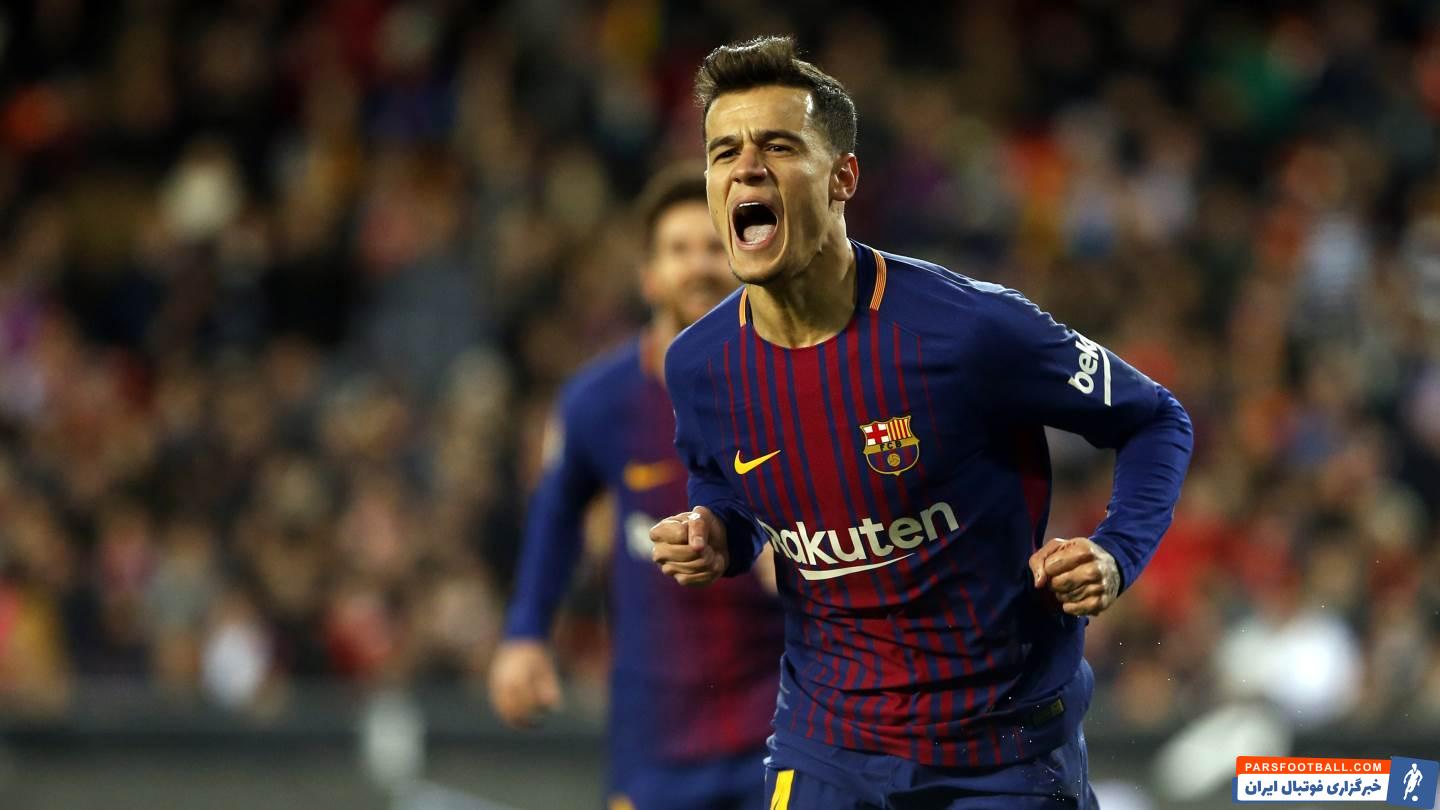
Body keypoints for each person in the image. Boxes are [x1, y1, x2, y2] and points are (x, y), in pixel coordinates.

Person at [649, 36, 1193, 809]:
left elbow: (1155, 417)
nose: (747, 168)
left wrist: (1115, 552)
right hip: (826, 745)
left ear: (843, 178)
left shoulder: (969, 329)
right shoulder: (700, 365)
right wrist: (717, 533)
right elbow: (729, 488)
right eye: (723, 151)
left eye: (778, 146)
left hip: (1000, 755)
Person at [489, 165, 785, 810]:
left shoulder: (796, 387)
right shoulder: (599, 401)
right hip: (654, 739)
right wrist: (526, 633)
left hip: (782, 727)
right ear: (649, 275)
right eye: (679, 249)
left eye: (714, 246)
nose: (699, 265)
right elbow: (554, 515)